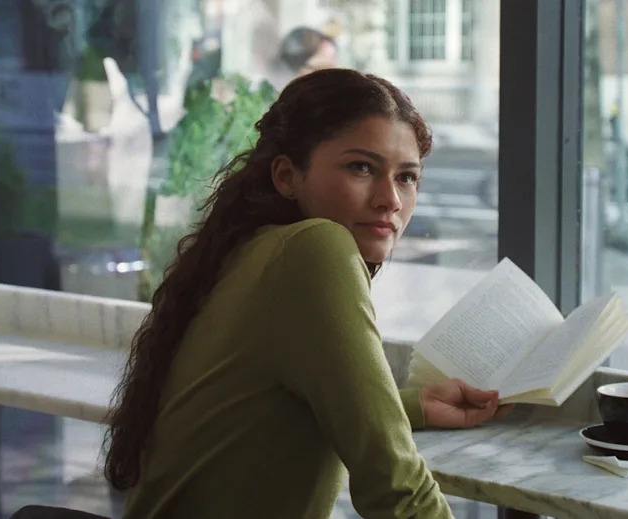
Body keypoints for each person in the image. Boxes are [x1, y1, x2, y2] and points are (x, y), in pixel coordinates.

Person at [103, 68, 512, 518]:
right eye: (361, 167)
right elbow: (396, 488)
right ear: (286, 176)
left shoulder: (251, 247)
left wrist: (411, 405)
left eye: (407, 177)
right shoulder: (313, 249)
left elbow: (276, 403)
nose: (390, 200)